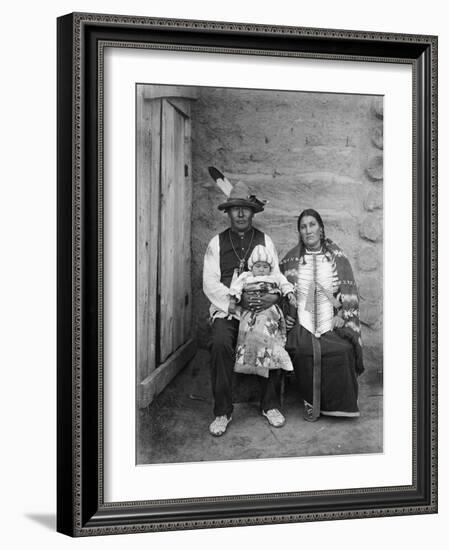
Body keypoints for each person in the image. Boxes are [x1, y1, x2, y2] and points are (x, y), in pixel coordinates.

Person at [203, 181, 286, 436]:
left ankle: (269, 405)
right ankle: (223, 411)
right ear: (228, 212)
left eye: (245, 209)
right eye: (235, 209)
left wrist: (271, 299)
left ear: (252, 212)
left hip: (260, 307)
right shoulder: (216, 242)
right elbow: (209, 282)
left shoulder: (265, 241)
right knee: (219, 342)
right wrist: (236, 301)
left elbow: (277, 276)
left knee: (272, 336)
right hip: (228, 308)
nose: (240, 214)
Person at [280, 209, 365, 421]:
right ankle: (311, 401)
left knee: (343, 349)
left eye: (312, 225)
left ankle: (340, 403)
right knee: (303, 350)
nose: (308, 230)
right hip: (303, 320)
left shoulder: (338, 258)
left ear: (321, 228)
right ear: (299, 232)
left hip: (331, 319)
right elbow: (280, 290)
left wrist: (342, 314)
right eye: (303, 226)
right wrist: (287, 314)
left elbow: (347, 293)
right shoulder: (291, 260)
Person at [228, 244, 296, 379]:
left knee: (265, 333)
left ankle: (275, 358)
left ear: (270, 268)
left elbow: (284, 284)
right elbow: (236, 287)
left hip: (269, 311)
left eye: (265, 267)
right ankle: (248, 362)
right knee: (248, 333)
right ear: (251, 267)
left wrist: (290, 294)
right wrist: (232, 301)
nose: (261, 270)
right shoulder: (246, 276)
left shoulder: (274, 276)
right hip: (250, 311)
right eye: (258, 266)